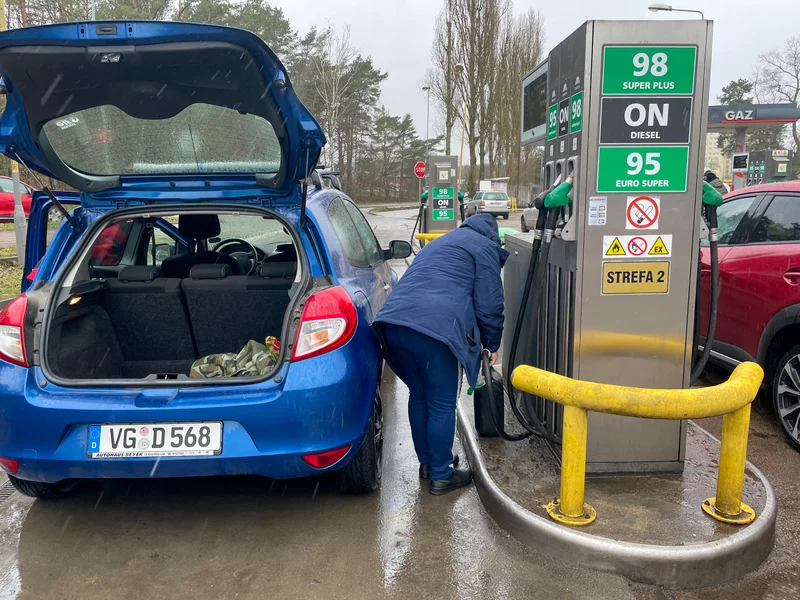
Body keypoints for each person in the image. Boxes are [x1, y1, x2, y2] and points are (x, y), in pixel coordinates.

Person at [374, 213, 508, 495]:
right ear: (493, 235)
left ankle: (430, 463)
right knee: (441, 402)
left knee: (420, 395)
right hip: (433, 330)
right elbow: (489, 305)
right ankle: (442, 474)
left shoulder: (445, 241)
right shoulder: (484, 247)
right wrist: (492, 344)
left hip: (392, 324)